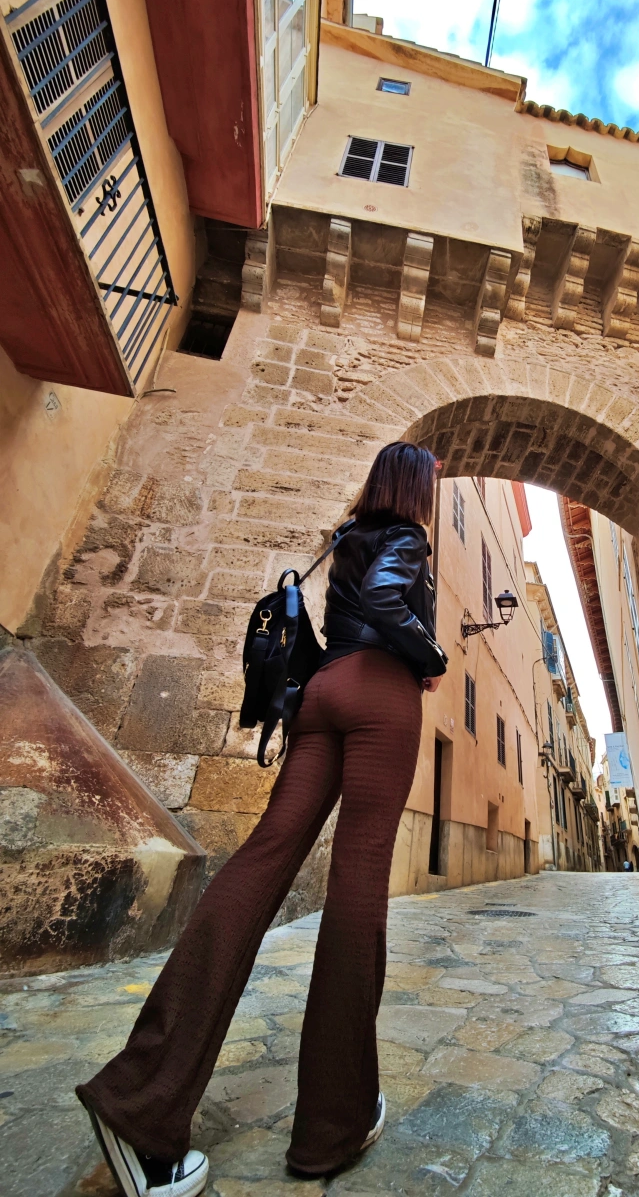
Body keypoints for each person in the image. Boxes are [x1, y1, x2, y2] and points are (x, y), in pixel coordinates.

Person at [76, 442, 447, 1195]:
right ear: (416, 488)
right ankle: (331, 1126)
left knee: (259, 862)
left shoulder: (345, 537)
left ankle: (140, 1098)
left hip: (324, 691)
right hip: (381, 698)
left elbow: (349, 606)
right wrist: (430, 653)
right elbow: (385, 603)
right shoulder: (408, 538)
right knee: (359, 883)